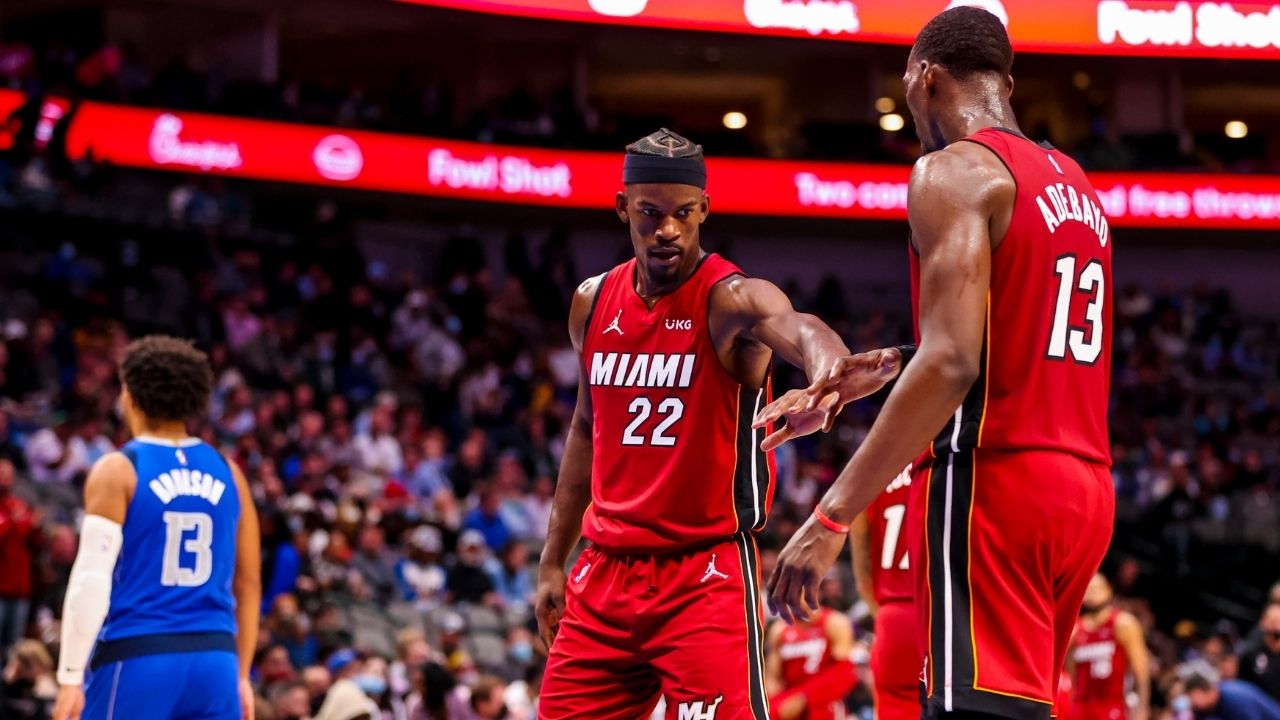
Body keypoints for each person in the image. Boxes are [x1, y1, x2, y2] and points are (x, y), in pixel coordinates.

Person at [762, 8, 1115, 720]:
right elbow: (1023, 331)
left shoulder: (951, 171)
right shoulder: (1077, 185)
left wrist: (831, 518)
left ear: (925, 77)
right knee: (1019, 709)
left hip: (996, 483)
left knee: (969, 712)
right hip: (1084, 491)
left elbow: (953, 363)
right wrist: (897, 359)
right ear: (1006, 83)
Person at [534, 128, 898, 719]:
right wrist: (555, 558)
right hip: (603, 571)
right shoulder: (592, 302)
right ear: (624, 207)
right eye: (650, 213)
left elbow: (799, 326)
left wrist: (827, 373)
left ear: (704, 209)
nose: (668, 230)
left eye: (683, 213)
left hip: (702, 574)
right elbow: (584, 429)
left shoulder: (730, 300)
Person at [51, 335, 262, 720]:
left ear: (130, 395)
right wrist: (242, 675)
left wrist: (69, 677)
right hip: (215, 659)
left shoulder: (119, 469)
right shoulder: (230, 471)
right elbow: (248, 583)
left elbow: (91, 577)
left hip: (138, 654)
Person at [849, 466, 918, 720]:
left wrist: (883, 611)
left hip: (892, 614)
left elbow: (862, 566)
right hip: (945, 613)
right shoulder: (953, 457)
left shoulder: (879, 466)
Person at [1068, 574, 1150, 720]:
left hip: (1112, 706)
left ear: (1108, 590)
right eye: (1087, 589)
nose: (1091, 594)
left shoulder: (1124, 623)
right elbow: (1070, 672)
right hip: (1079, 707)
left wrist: (1142, 709)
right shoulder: (1075, 629)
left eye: (1096, 589)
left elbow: (1141, 672)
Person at [765, 605, 857, 720]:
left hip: (824, 698)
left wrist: (806, 697)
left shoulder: (834, 622)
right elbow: (773, 678)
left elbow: (845, 672)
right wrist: (779, 704)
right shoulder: (779, 630)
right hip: (790, 698)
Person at [0, 458, 40, 657]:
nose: (6, 479)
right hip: (1, 588)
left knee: (14, 648)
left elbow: (34, 542)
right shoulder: (14, 511)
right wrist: (11, 522)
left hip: (19, 587)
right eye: (2, 474)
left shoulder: (20, 505)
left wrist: (35, 525)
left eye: (9, 474)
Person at [1184, 664, 1280, 720]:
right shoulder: (1209, 707)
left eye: (1193, 698)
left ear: (1206, 690)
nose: (1192, 703)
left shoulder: (1233, 697)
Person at [1236, 603, 1280, 703]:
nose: (1276, 625)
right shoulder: (1251, 652)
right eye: (1273, 620)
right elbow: (1241, 685)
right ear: (1263, 622)